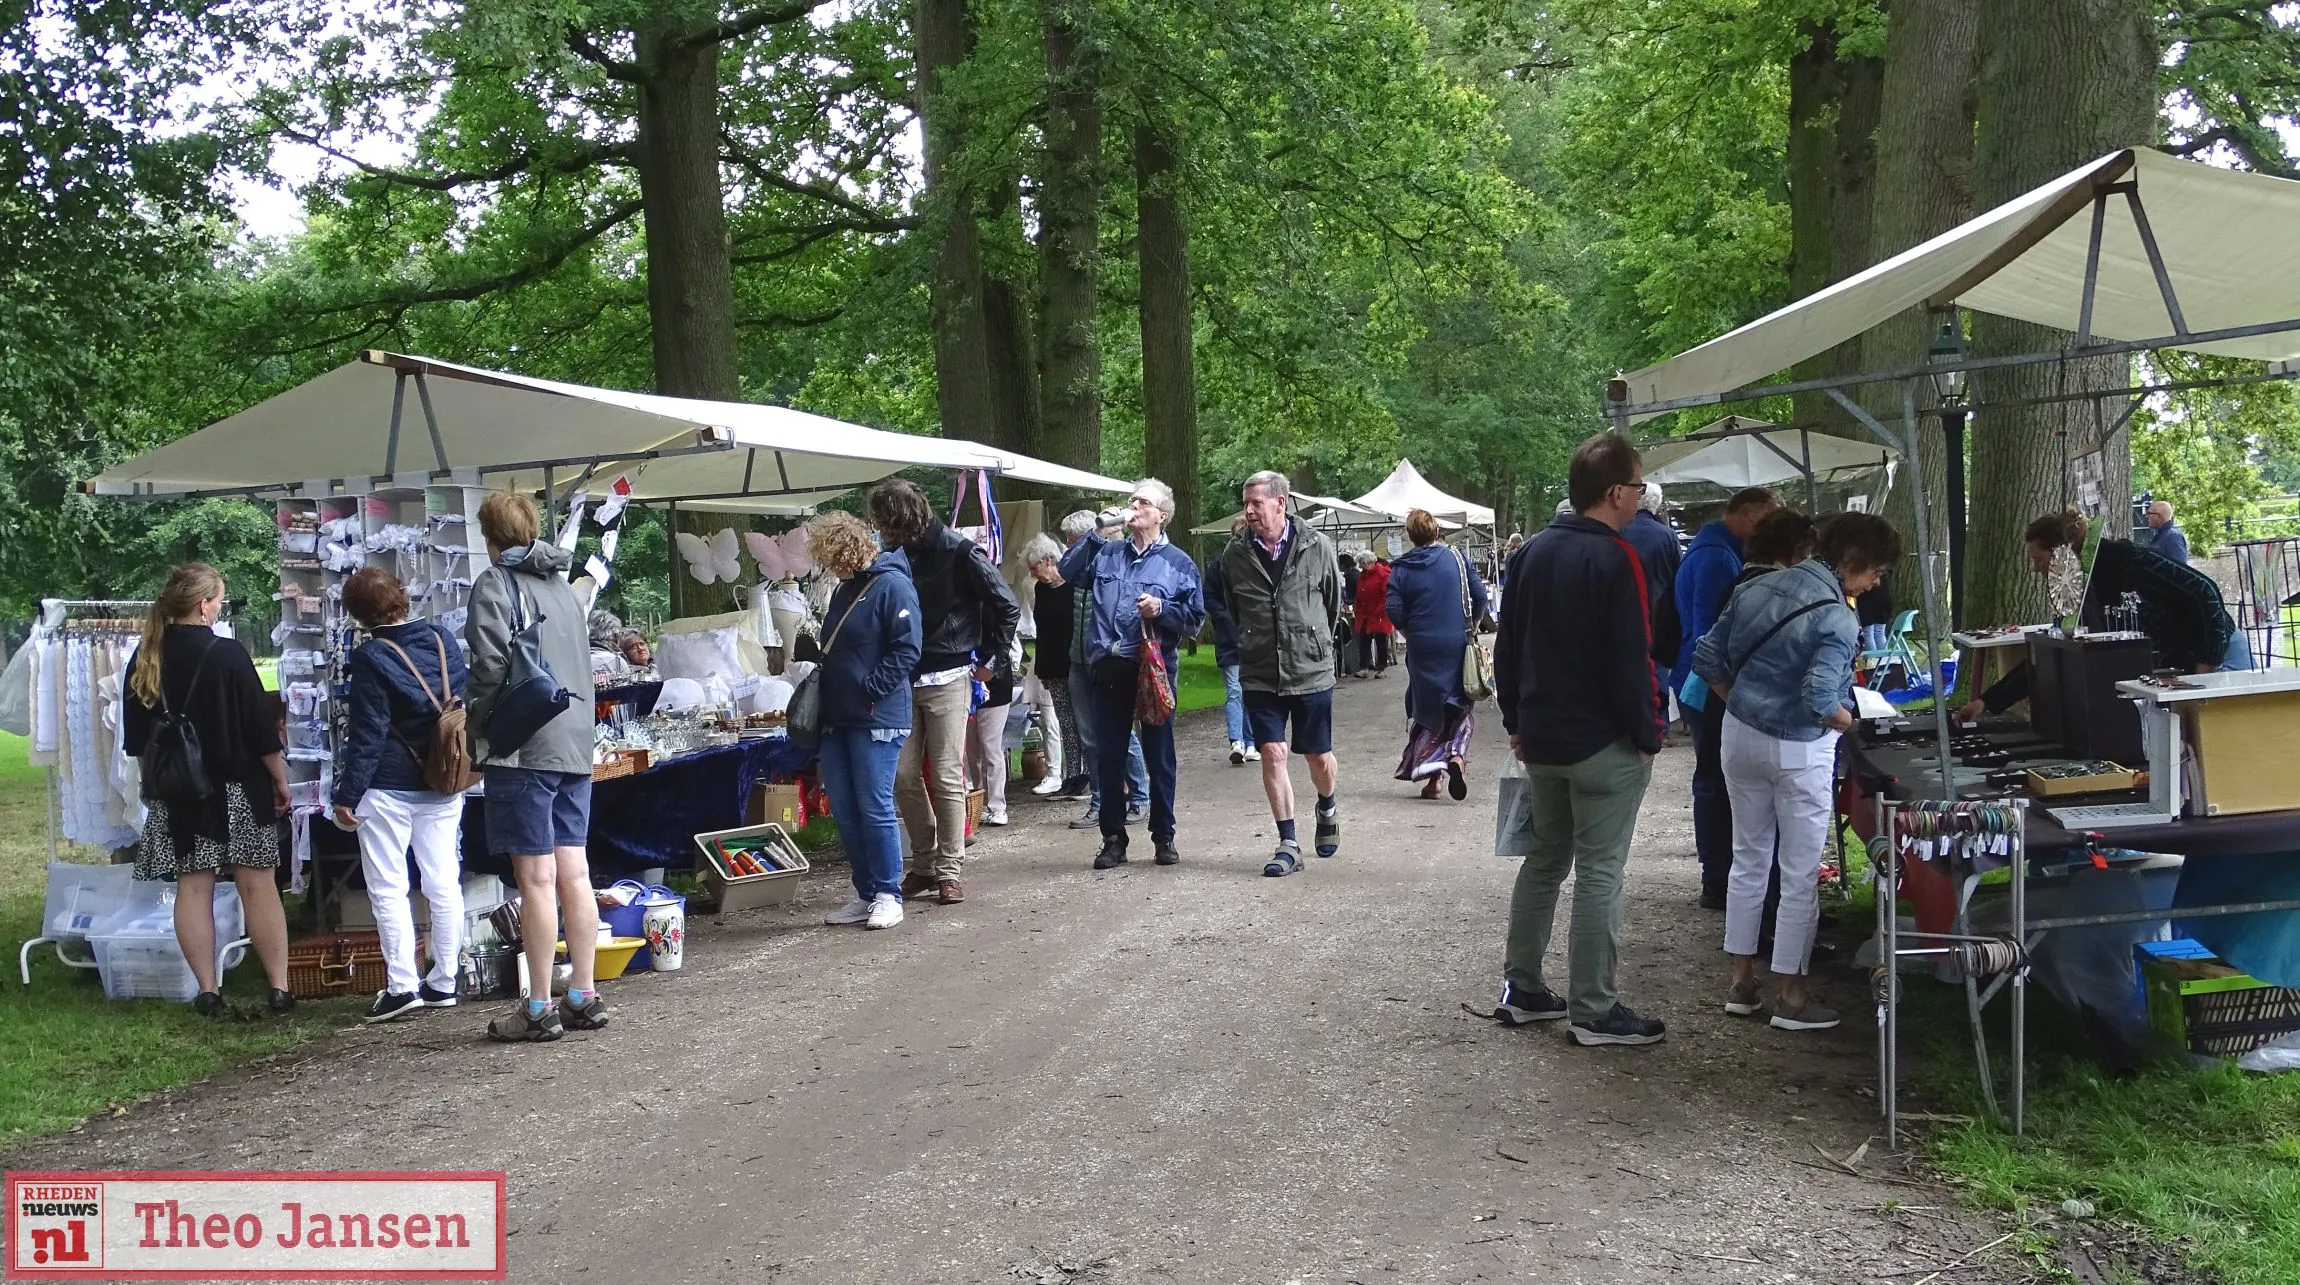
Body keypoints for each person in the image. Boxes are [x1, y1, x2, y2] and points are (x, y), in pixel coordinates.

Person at [1491, 433, 1668, 1047]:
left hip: (1543, 739)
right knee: (1599, 872)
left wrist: (1516, 721)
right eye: (1639, 488)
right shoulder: (1617, 558)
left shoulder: (1532, 553)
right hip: (1601, 743)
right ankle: (1595, 1007)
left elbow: (1506, 647)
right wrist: (1648, 733)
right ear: (1616, 492)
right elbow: (1631, 658)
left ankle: (1523, 986)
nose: (1640, 499)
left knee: (1544, 861)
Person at [1696, 512, 1900, 1032]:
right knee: (1799, 872)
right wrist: (1850, 720)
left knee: (1747, 860)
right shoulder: (1838, 617)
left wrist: (1740, 702)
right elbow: (1817, 697)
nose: (1877, 581)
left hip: (1739, 736)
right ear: (1853, 560)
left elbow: (1707, 657)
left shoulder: (1758, 585)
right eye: (1876, 570)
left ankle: (1741, 983)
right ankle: (1791, 993)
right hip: (1799, 750)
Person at [123, 563, 295, 1017]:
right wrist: (280, 779)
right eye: (219, 598)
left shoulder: (144, 658)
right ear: (204, 606)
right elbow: (261, 732)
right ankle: (278, 987)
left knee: (193, 888)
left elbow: (136, 741)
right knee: (257, 885)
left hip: (179, 794)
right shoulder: (229, 655)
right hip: (239, 787)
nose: (220, 606)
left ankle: (207, 990)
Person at [466, 491, 602, 1043]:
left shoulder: (495, 584)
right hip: (575, 744)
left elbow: (490, 666)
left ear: (489, 534)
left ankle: (538, 1005)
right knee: (576, 872)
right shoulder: (565, 590)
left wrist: (476, 722)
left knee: (536, 878)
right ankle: (584, 995)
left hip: (525, 745)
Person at [869, 478, 1020, 907]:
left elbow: (1006, 605)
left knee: (947, 775)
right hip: (903, 677)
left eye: (883, 521)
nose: (878, 528)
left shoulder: (960, 551)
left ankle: (949, 871)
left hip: (949, 675)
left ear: (900, 520)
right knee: (902, 775)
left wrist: (992, 663)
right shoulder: (896, 555)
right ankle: (924, 862)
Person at [332, 566, 471, 1023]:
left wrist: (347, 794)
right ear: (403, 597)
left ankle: (402, 986)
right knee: (443, 881)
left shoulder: (372, 657)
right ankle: (445, 980)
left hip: (388, 786)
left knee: (389, 887)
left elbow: (368, 734)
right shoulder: (441, 641)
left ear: (358, 615)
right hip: (445, 778)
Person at [1958, 508, 2247, 723]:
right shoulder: (2081, 588)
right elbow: (2053, 652)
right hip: (2180, 668)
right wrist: (1987, 701)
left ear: (2062, 552)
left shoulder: (2125, 560)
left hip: (2218, 656)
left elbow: (2204, 591)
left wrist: (2205, 666)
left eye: (2038, 560)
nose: (2036, 569)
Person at [1059, 478, 1205, 869]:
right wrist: (1095, 532)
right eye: (1132, 500)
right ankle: (1113, 838)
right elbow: (1066, 572)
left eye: (1143, 502)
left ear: (1162, 515)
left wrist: (1163, 610)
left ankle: (1164, 835)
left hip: (1154, 669)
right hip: (1109, 667)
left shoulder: (1178, 562)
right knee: (1108, 756)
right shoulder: (1106, 553)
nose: (1134, 506)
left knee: (1159, 755)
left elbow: (1195, 620)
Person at [1684, 509, 1817, 910]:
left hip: (1724, 707)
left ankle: (1738, 907)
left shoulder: (1741, 580)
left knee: (1741, 828)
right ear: (1796, 550)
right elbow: (1710, 655)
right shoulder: (1765, 589)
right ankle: (1771, 915)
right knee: (1758, 831)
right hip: (1748, 716)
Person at [1214, 470, 1344, 878]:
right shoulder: (1234, 555)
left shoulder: (1316, 546)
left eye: (1256, 502)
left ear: (1280, 503)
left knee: (1318, 757)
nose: (1249, 510)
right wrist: (1251, 639)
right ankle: (1288, 842)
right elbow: (1233, 608)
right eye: (1245, 502)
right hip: (1259, 669)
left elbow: (1333, 604)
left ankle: (1327, 805)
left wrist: (1310, 639)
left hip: (1310, 669)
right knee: (1272, 752)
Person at [808, 511, 922, 931]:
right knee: (845, 806)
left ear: (848, 550)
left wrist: (870, 689)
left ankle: (888, 892)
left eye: (833, 557)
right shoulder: (846, 589)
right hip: (839, 716)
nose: (830, 566)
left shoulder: (892, 586)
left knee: (874, 806)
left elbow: (908, 650)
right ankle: (865, 891)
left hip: (877, 716)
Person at [1672, 486, 1781, 893]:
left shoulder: (1711, 549)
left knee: (1714, 778)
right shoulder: (1718, 558)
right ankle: (1718, 877)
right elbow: (1709, 636)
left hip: (1698, 681)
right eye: (1769, 516)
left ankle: (1719, 874)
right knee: (1716, 781)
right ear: (1750, 515)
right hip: (1706, 686)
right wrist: (1731, 695)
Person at [1385, 509, 1487, 800]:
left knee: (1427, 709)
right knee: (1460, 703)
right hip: (1456, 643)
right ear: (1437, 531)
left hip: (1421, 647)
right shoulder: (1455, 558)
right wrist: (1473, 625)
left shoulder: (1401, 569)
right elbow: (1479, 596)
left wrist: (1408, 632)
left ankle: (1433, 782)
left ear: (1409, 535)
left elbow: (1393, 611)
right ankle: (1456, 755)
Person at [1063, 509, 1150, 831]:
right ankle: (1099, 803)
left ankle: (1139, 797)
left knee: (1122, 734)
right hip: (1078, 660)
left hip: (1109, 661)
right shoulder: (1078, 566)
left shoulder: (1120, 563)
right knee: (1090, 737)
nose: (1071, 546)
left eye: (1075, 540)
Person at [1023, 533, 1089, 799]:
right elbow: (1044, 632)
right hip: (1052, 666)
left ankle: (1086, 776)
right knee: (1065, 724)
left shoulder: (1074, 586)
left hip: (1074, 664)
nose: (1033, 574)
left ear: (1048, 560)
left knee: (1081, 722)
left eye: (1035, 568)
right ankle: (1071, 776)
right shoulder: (1039, 589)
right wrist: (1043, 669)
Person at [1205, 521, 1261, 766]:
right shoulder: (1219, 565)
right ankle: (1237, 741)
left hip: (1255, 637)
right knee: (1235, 690)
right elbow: (1208, 597)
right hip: (1230, 636)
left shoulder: (1259, 563)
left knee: (1251, 690)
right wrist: (1225, 618)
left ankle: (1251, 743)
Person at [967, 632, 1022, 828]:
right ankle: (978, 801)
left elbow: (1001, 646)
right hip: (967, 686)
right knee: (972, 752)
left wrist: (989, 669)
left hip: (995, 688)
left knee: (990, 747)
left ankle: (997, 806)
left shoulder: (997, 617)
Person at [1355, 554, 1394, 677]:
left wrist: (1379, 609)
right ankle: (1364, 667)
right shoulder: (1363, 576)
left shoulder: (1383, 575)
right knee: (1364, 640)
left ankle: (1381, 668)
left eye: (1361, 563)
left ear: (1367, 562)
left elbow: (1386, 594)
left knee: (1380, 641)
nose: (1360, 566)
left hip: (1379, 614)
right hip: (1366, 614)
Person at [2146, 499, 2191, 565]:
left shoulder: (2173, 537)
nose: (2147, 516)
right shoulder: (2162, 535)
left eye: (2149, 513)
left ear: (2159, 516)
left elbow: (2179, 569)